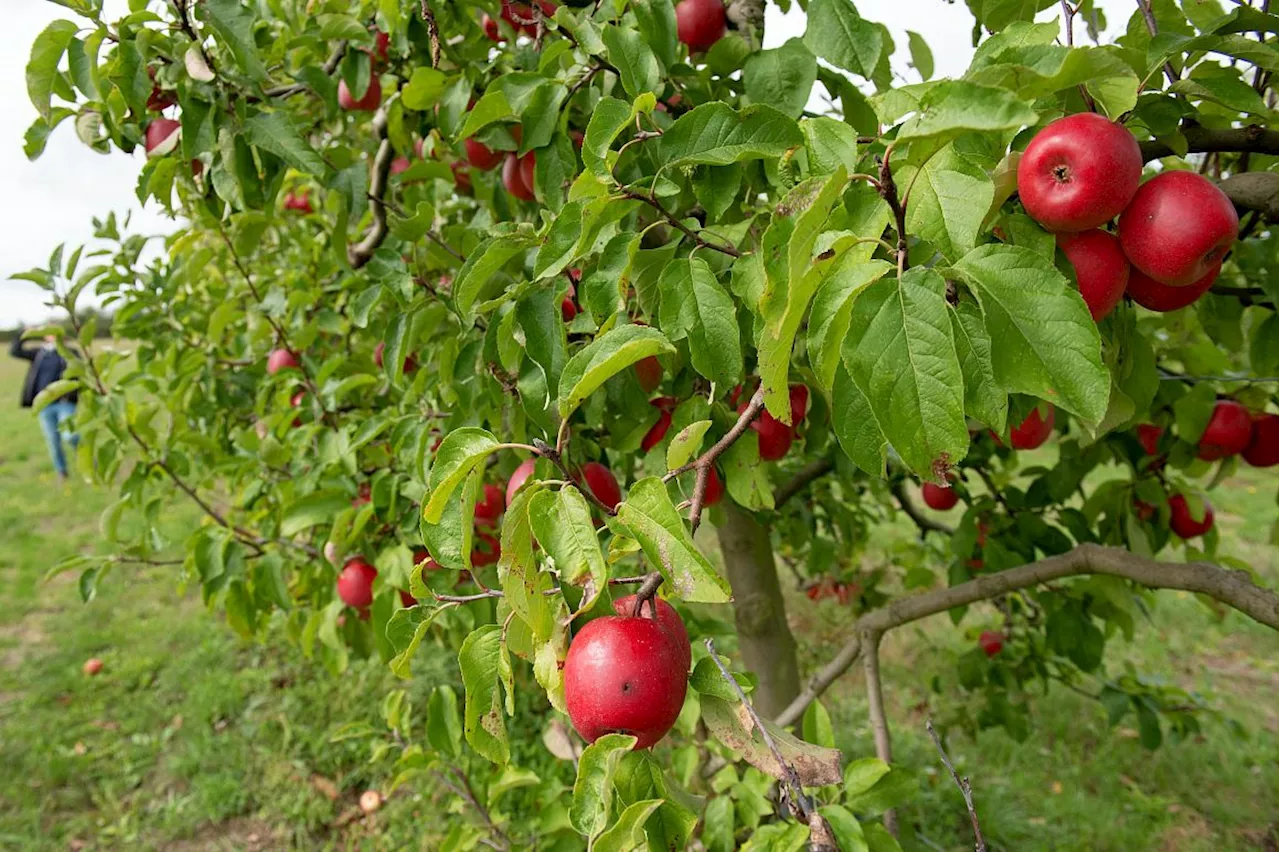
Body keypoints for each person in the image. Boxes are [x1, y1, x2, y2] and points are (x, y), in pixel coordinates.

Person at [10, 329, 79, 480]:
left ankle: (86, 458)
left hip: (64, 403)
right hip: (45, 405)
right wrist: (25, 333)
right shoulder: (39, 354)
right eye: (49, 332)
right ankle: (62, 473)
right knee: (53, 441)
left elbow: (81, 372)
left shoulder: (70, 353)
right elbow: (15, 351)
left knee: (70, 436)